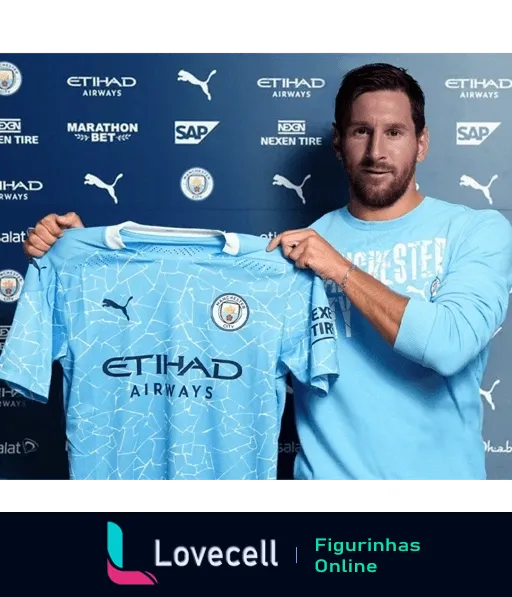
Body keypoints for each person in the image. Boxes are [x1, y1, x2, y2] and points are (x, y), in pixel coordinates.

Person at [22, 63, 512, 481]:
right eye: (362, 131)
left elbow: (449, 344)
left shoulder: (476, 230)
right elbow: (190, 316)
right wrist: (90, 260)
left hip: (444, 498)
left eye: (395, 132)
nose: (377, 151)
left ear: (422, 143)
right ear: (339, 144)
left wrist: (340, 268)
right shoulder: (291, 255)